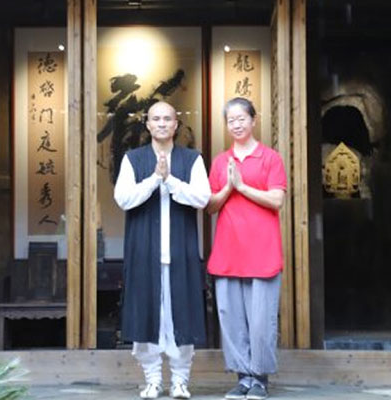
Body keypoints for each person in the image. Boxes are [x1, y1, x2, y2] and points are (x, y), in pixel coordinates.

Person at [114, 101, 211, 399]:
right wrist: (155, 178)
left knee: (181, 315)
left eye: (167, 119)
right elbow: (123, 199)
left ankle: (180, 380)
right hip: (144, 253)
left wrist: (170, 179)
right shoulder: (133, 159)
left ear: (176, 124)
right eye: (156, 119)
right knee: (147, 315)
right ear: (147, 124)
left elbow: (202, 198)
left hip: (180, 252)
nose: (161, 124)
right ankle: (153, 379)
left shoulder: (192, 159)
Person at [207, 97, 287, 400]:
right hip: (228, 250)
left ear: (254, 120)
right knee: (231, 318)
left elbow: (277, 200)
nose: (237, 124)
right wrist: (229, 187)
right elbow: (210, 206)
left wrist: (242, 187)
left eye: (242, 118)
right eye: (231, 120)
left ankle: (260, 379)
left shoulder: (270, 158)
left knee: (262, 320)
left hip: (262, 250)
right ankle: (243, 378)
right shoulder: (220, 162)